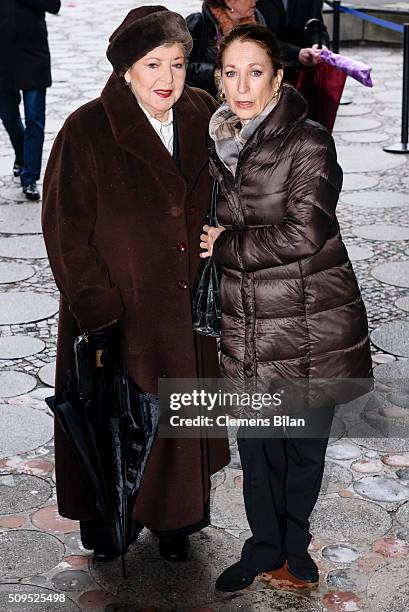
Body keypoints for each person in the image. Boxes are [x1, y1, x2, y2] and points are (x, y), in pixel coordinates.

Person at [42, 6, 229, 565]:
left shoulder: (204, 114)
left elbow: (238, 189)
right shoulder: (86, 129)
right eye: (153, 65)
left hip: (186, 308)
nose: (168, 79)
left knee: (178, 420)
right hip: (119, 311)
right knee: (110, 420)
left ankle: (176, 517)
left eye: (177, 63)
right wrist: (98, 312)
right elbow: (65, 233)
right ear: (126, 69)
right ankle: (104, 516)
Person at [200, 23, 372, 592]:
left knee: (301, 453)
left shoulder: (309, 141)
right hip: (248, 325)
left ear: (277, 77)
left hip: (310, 326)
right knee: (257, 451)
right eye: (230, 72)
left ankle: (294, 546)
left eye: (255, 72)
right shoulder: (217, 140)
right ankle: (262, 546)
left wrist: (225, 245)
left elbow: (306, 231)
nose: (241, 85)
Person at [0, 0, 61, 201]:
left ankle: (30, 177)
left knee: (34, 118)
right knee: (8, 116)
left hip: (33, 55)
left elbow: (54, 5)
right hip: (3, 57)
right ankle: (23, 155)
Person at [186, 1, 266, 98]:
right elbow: (182, 67)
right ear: (229, 1)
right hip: (207, 103)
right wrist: (215, 74)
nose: (256, 0)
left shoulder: (257, 20)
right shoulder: (198, 23)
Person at [257, 0, 330, 71]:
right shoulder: (252, 4)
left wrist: (319, 44)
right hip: (268, 66)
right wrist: (297, 53)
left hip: (303, 72)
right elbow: (260, 38)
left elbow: (316, 26)